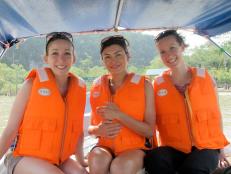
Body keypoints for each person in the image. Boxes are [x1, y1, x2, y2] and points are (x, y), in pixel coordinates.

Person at [0, 32, 88, 174]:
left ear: (74, 58)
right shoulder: (31, 84)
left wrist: (82, 160)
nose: (61, 59)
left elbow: (78, 131)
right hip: (22, 157)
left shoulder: (80, 88)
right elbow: (10, 129)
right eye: (54, 53)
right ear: (46, 58)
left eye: (67, 53)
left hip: (58, 158)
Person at [144, 29, 230, 174]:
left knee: (193, 169)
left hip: (206, 147)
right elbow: (151, 122)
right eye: (162, 52)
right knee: (154, 158)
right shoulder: (157, 85)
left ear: (182, 47)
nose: (168, 55)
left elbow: (216, 115)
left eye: (172, 48)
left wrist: (220, 149)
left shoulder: (206, 79)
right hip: (174, 148)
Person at [87, 35, 155, 174]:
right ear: (102, 61)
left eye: (118, 54)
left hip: (134, 148)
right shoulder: (96, 86)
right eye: (107, 57)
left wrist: (119, 115)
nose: (114, 61)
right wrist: (97, 130)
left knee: (120, 167)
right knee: (96, 159)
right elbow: (91, 128)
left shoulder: (145, 85)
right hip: (104, 146)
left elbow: (149, 131)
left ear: (127, 56)